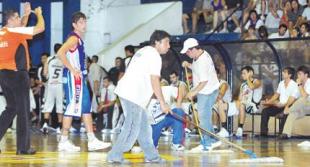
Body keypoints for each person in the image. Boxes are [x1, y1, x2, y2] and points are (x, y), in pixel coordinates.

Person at [107, 30, 171, 164]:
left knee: (144, 129)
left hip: (130, 93)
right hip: (132, 95)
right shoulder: (154, 55)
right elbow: (155, 81)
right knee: (131, 127)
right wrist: (163, 103)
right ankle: (115, 154)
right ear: (157, 42)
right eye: (166, 42)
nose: (168, 46)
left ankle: (152, 156)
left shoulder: (144, 50)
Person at [57, 12, 110, 152]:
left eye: (85, 21)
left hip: (80, 79)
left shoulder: (79, 40)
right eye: (81, 22)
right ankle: (63, 140)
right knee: (71, 107)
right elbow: (60, 53)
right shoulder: (74, 39)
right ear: (74, 24)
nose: (84, 24)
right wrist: (73, 70)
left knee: (86, 107)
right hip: (73, 78)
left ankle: (92, 140)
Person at [0, 3, 45, 154]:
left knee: (11, 108)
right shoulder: (14, 32)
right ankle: (23, 148)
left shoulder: (3, 32)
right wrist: (38, 14)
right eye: (17, 17)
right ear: (11, 20)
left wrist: (25, 15)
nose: (20, 19)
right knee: (24, 110)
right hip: (17, 74)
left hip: (3, 76)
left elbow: (22, 26)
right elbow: (40, 28)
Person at [181, 38, 221, 153]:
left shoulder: (202, 60)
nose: (187, 54)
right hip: (208, 90)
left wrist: (192, 92)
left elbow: (204, 81)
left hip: (207, 91)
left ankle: (207, 143)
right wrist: (189, 65)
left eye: (188, 51)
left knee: (203, 118)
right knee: (205, 117)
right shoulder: (199, 56)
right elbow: (198, 69)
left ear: (194, 49)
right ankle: (212, 140)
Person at [217, 66, 262, 138]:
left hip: (253, 105)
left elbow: (252, 87)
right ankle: (224, 129)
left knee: (242, 105)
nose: (242, 75)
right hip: (242, 104)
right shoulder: (243, 85)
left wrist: (248, 78)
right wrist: (233, 104)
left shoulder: (257, 81)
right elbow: (240, 98)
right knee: (221, 105)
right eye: (242, 74)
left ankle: (240, 129)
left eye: (244, 73)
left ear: (250, 73)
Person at [260, 67, 299, 137]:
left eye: (285, 72)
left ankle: (282, 133)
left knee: (285, 112)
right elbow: (276, 95)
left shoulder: (294, 85)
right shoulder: (281, 83)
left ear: (290, 75)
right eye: (283, 72)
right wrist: (268, 102)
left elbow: (293, 99)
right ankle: (263, 133)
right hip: (279, 105)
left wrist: (283, 105)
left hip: (289, 105)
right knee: (265, 111)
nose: (282, 73)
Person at [280, 66, 310, 139]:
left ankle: (285, 112)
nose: (298, 76)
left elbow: (305, 96)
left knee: (302, 99)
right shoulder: (299, 84)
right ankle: (286, 134)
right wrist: (287, 106)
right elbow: (293, 97)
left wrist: (299, 84)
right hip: (303, 107)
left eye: (300, 74)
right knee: (293, 113)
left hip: (308, 104)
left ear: (306, 75)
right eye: (297, 74)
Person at [41, 43, 64, 134]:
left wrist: (45, 77)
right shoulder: (64, 59)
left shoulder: (49, 59)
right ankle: (59, 127)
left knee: (48, 105)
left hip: (50, 85)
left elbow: (45, 73)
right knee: (60, 106)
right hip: (59, 85)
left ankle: (45, 124)